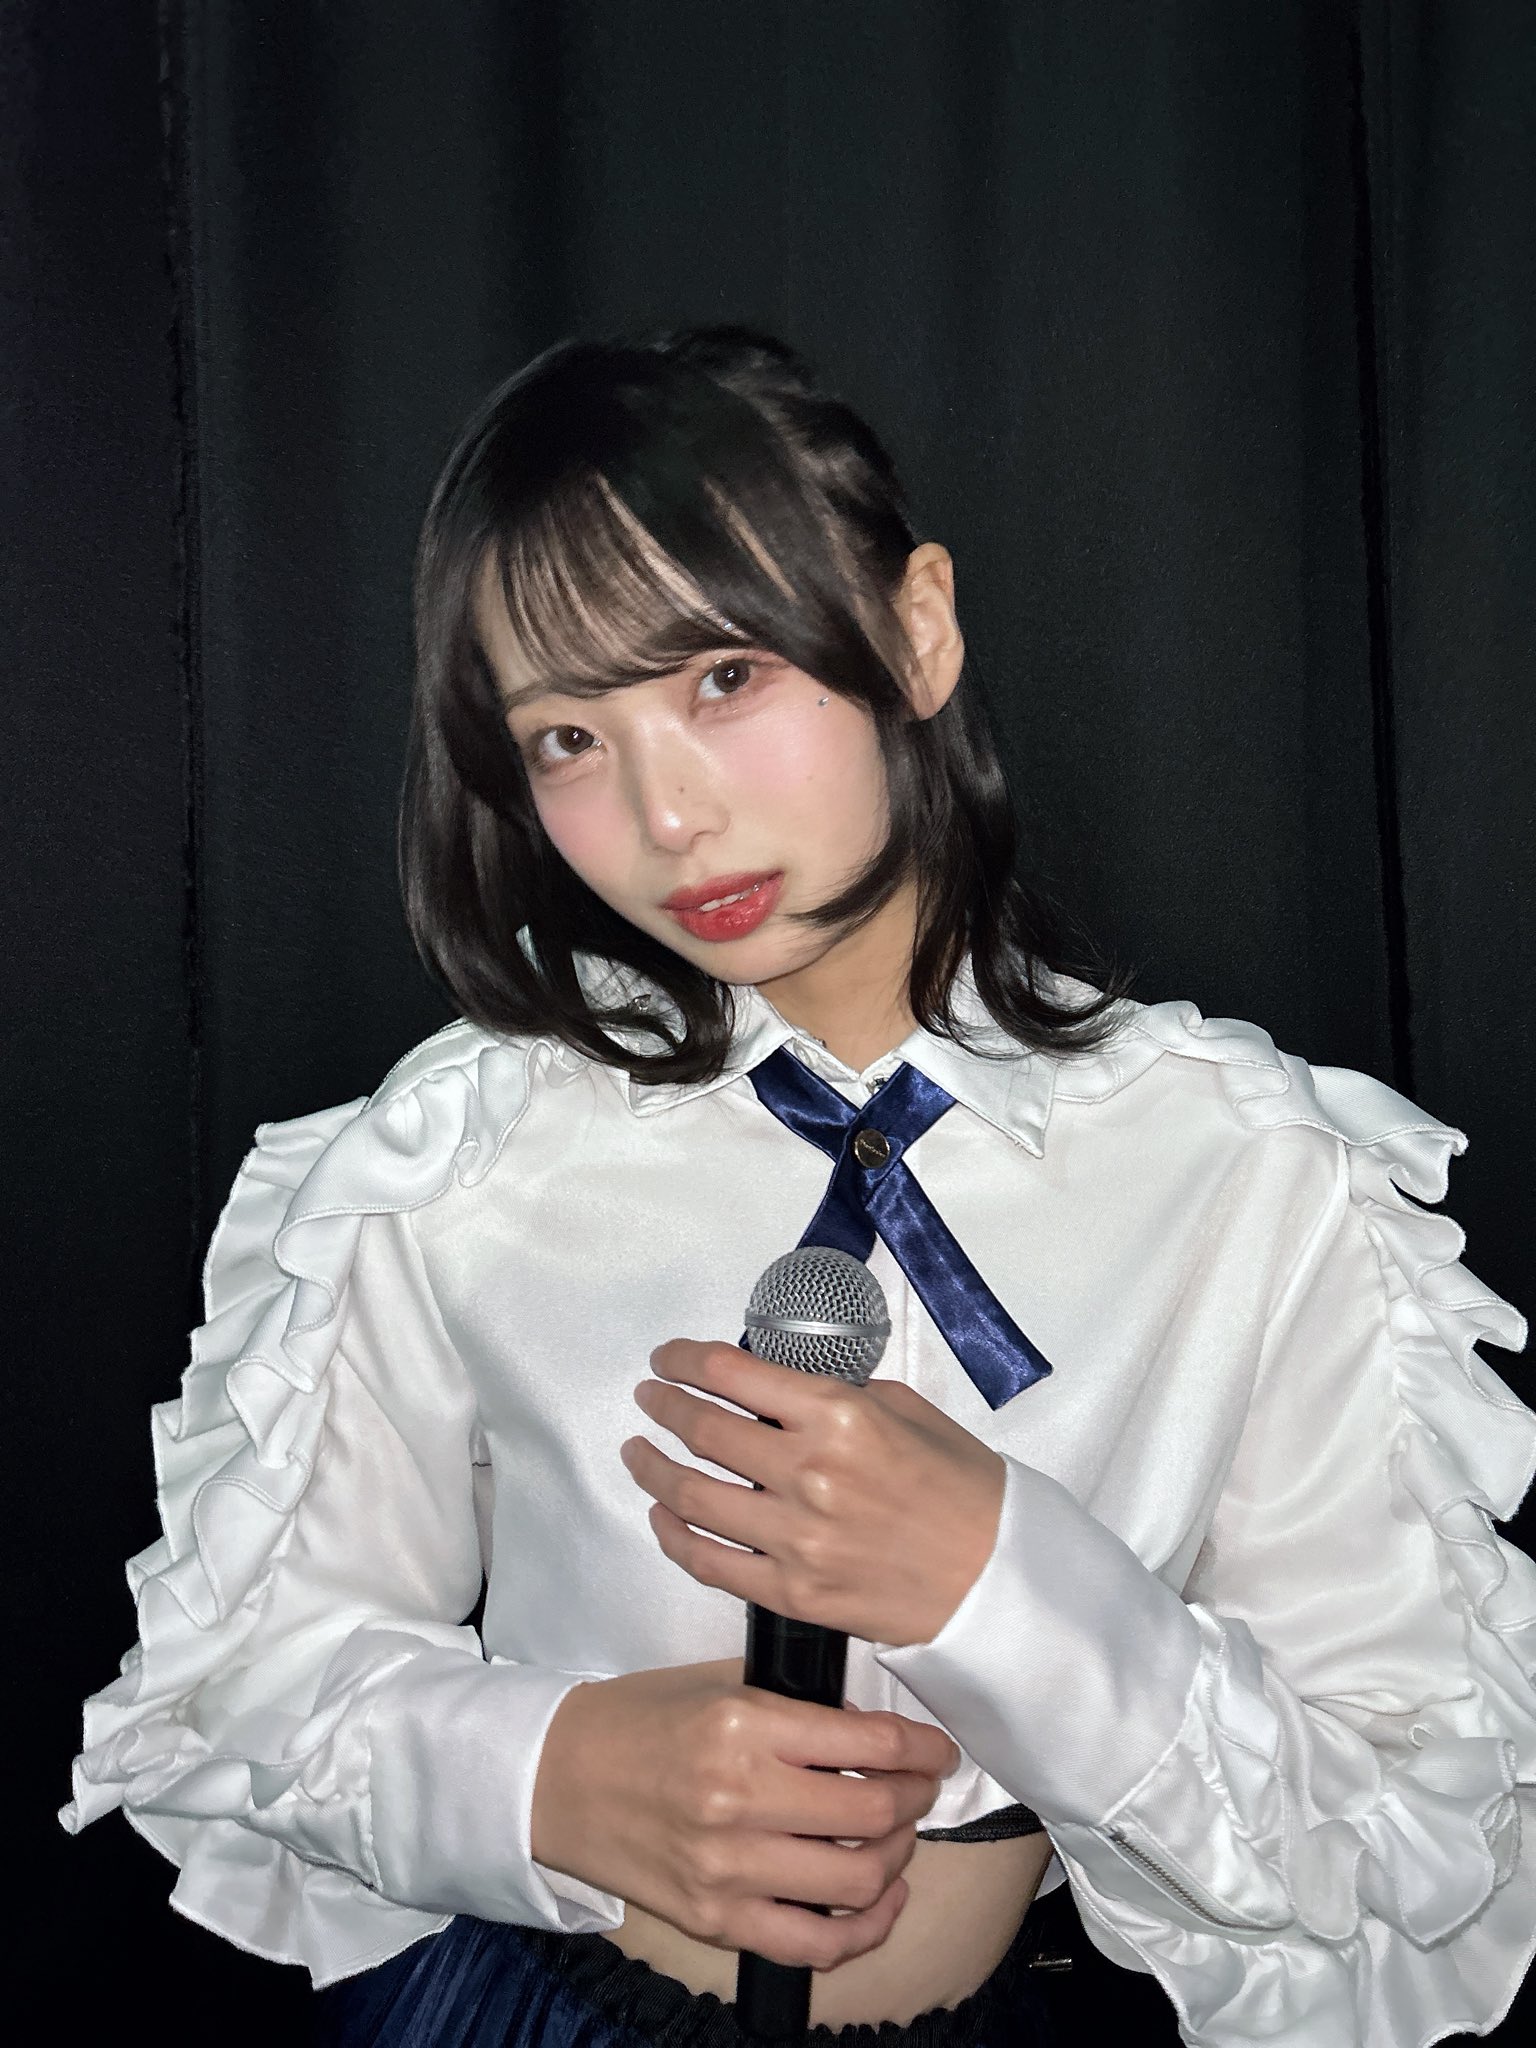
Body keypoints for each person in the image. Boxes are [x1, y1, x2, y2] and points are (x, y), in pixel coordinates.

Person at [61, 324, 1535, 2048]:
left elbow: (1418, 1828)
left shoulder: (1251, 1171)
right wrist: (552, 1772)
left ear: (916, 630)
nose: (666, 815)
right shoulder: (462, 1148)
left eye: (721, 679)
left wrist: (1007, 1583)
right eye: (566, 738)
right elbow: (235, 1684)